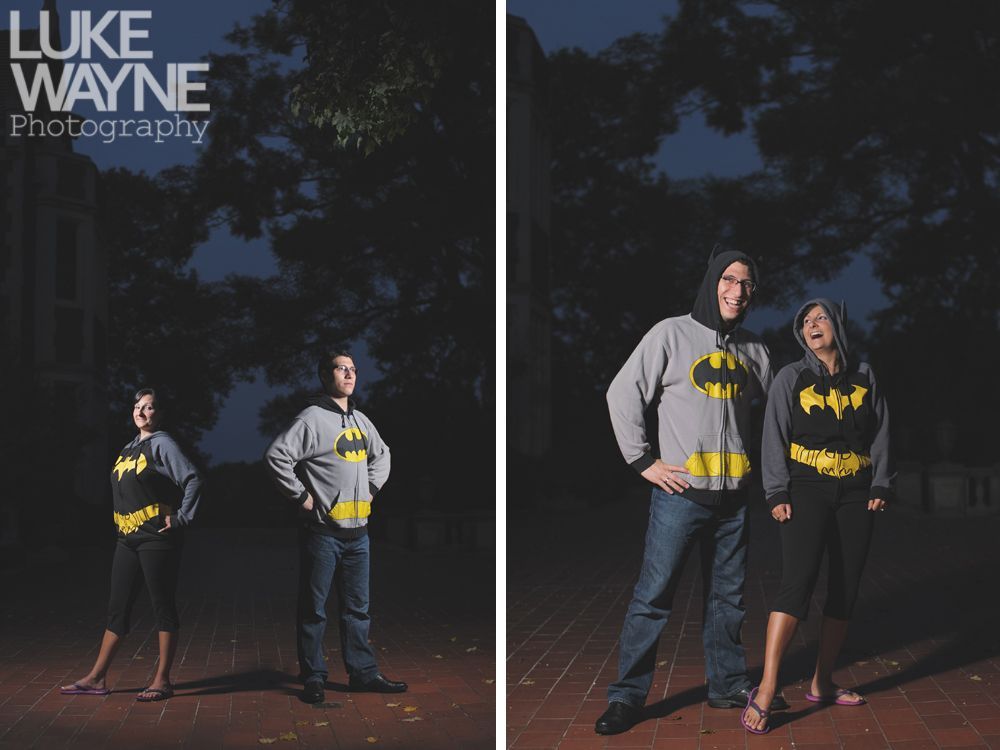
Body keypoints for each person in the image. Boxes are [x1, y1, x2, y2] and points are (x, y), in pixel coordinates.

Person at [595, 248, 784, 736]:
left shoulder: (755, 350)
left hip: (734, 502)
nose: (737, 290)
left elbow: (781, 413)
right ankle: (627, 697)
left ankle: (726, 685)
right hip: (680, 497)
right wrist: (643, 461)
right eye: (729, 279)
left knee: (728, 600)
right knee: (653, 598)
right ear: (711, 282)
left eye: (747, 284)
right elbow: (623, 392)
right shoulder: (671, 334)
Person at [741, 299, 893, 735]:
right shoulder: (792, 377)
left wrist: (882, 482)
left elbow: (882, 430)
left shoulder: (865, 375)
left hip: (857, 493)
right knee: (797, 583)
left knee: (846, 587)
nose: (812, 325)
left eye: (820, 317)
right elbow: (773, 435)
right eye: (805, 322)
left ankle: (823, 681)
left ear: (838, 325)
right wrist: (775, 490)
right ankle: (767, 689)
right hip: (806, 489)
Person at [264, 349, 406, 704]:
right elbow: (277, 455)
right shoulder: (312, 418)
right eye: (341, 369)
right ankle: (313, 676)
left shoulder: (359, 419)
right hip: (323, 534)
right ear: (326, 376)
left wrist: (372, 488)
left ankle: (363, 673)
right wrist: (302, 498)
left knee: (358, 609)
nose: (349, 374)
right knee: (314, 610)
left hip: (359, 536)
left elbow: (383, 454)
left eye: (354, 369)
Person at [60, 388, 203, 702]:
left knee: (162, 607)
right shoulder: (128, 448)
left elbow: (192, 478)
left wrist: (180, 518)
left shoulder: (163, 443)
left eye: (150, 407)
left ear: (159, 414)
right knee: (117, 609)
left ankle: (163, 680)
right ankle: (97, 677)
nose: (142, 411)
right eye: (138, 406)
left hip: (156, 538)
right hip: (127, 539)